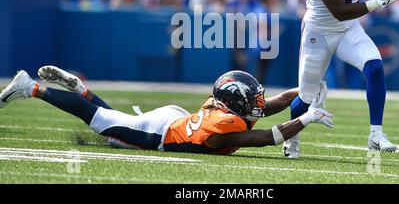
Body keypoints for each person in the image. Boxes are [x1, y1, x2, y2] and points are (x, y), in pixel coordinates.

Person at [283, 0, 399, 158]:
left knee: (375, 66)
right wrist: (377, 2)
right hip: (319, 30)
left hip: (348, 29)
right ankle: (291, 139)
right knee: (305, 97)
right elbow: (339, 10)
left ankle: (376, 134)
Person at [0, 67, 333, 155]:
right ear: (234, 102)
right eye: (251, 97)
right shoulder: (226, 125)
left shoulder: (224, 108)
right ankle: (31, 87)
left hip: (170, 121)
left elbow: (272, 104)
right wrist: (306, 117)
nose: (258, 102)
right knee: (101, 121)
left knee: (118, 121)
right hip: (160, 132)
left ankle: (81, 90)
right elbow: (264, 137)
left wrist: (308, 90)